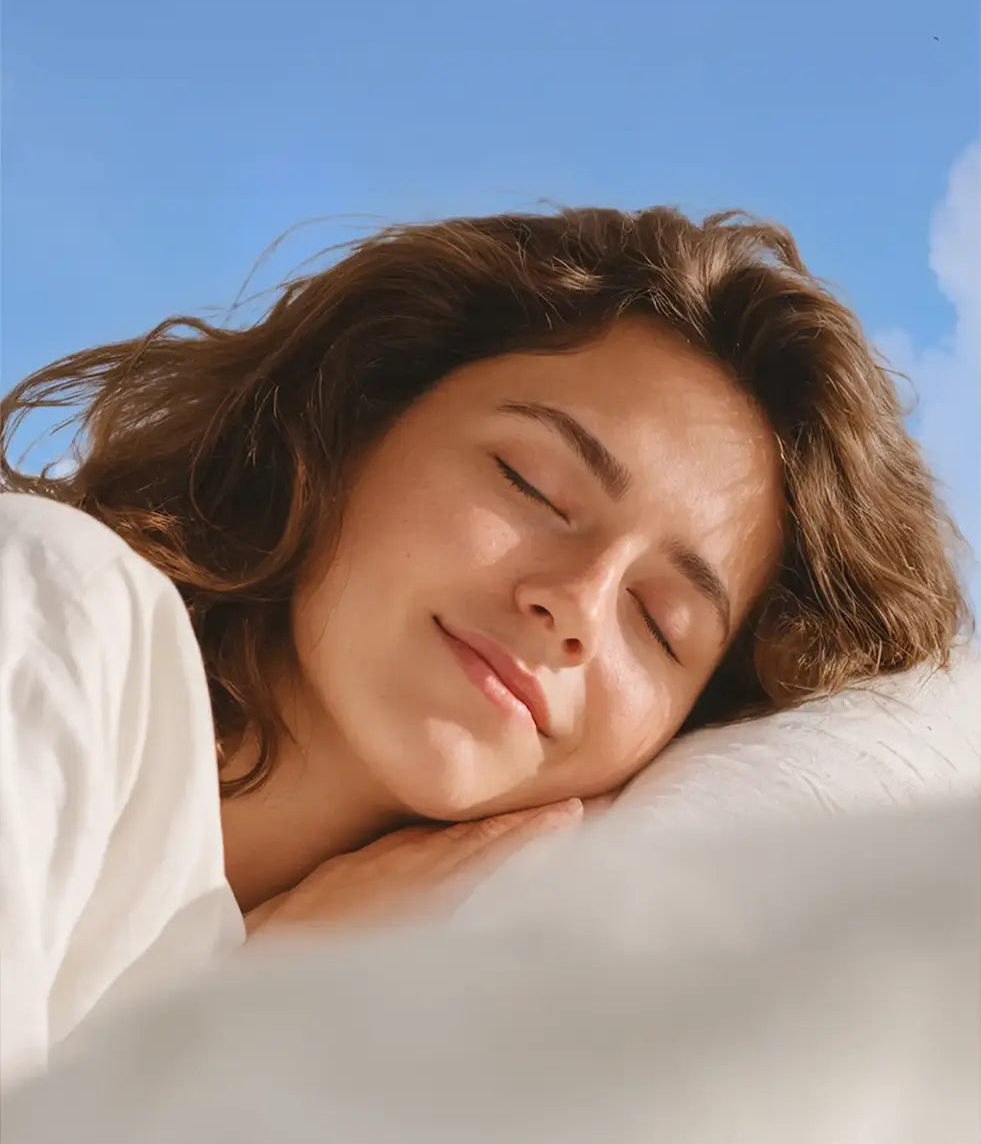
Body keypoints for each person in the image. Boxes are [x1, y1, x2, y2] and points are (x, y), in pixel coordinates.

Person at [0, 204, 968, 1088]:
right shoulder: (58, 605)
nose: (577, 603)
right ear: (355, 415)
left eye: (659, 620)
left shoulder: (403, 1051)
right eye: (530, 482)